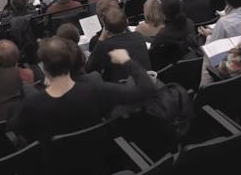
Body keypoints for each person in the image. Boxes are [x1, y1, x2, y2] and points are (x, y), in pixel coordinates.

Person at [14, 40, 154, 142]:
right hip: (101, 159)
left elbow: (24, 137)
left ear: (44, 68)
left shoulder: (31, 106)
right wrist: (126, 60)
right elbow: (146, 89)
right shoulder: (97, 90)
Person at [86, 8, 151, 82]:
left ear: (106, 28)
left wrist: (101, 39)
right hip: (146, 81)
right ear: (127, 21)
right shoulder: (138, 36)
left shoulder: (104, 46)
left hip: (122, 86)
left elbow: (88, 69)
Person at [149, 0, 199, 70]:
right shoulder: (189, 23)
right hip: (190, 67)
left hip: (172, 70)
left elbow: (152, 54)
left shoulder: (163, 35)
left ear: (164, 15)